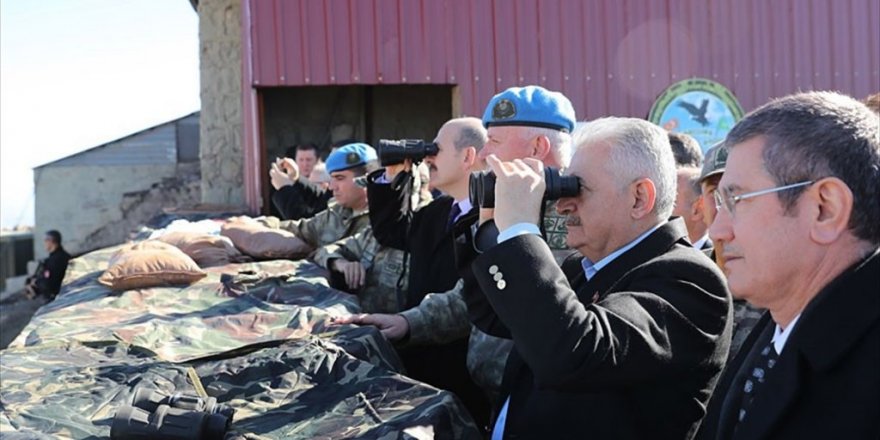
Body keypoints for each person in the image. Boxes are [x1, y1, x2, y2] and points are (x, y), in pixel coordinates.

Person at [456, 117, 732, 439]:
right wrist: (495, 228)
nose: (561, 204)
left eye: (578, 189)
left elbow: (575, 352)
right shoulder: (581, 268)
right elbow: (492, 315)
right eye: (562, 185)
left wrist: (522, 231)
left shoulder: (690, 280)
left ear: (639, 198)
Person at [698, 91, 880, 440]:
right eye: (717, 203)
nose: (717, 231)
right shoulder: (780, 322)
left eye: (736, 200)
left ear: (825, 209)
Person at [338, 117, 490, 425]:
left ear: (468, 157)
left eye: (437, 149)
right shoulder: (437, 212)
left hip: (463, 368)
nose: (429, 157)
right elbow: (391, 231)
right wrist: (395, 176)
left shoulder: (492, 220)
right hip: (419, 350)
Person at [698, 142, 763, 359]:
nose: (724, 205)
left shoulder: (773, 278)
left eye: (738, 194)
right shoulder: (686, 277)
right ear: (700, 204)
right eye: (714, 192)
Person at [276, 143, 377, 250]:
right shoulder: (339, 212)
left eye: (340, 178)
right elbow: (303, 228)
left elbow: (341, 251)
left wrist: (285, 188)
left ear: (366, 179)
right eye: (331, 179)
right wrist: (263, 225)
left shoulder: (385, 217)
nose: (332, 186)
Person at [25, 230, 72, 301]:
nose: (44, 243)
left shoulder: (55, 260)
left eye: (46, 240)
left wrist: (36, 283)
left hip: (58, 300)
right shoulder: (62, 257)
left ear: (51, 241)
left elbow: (50, 284)